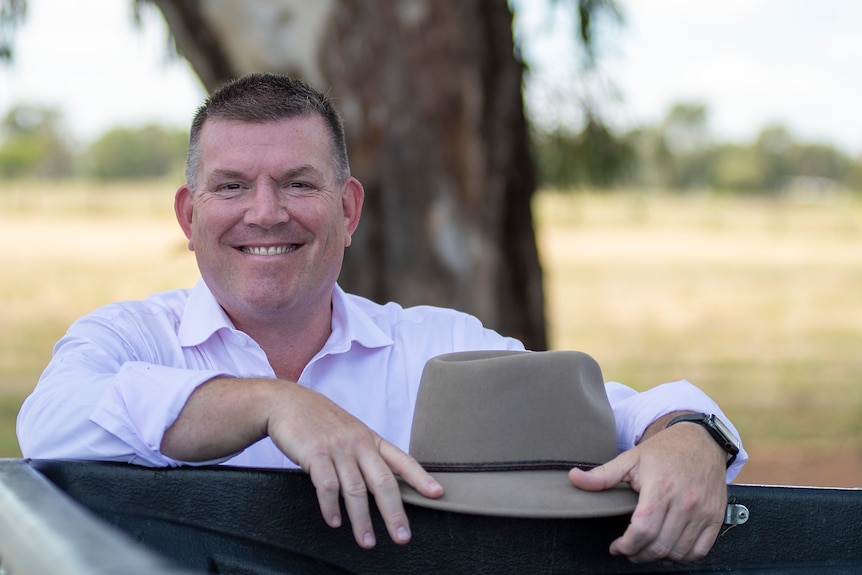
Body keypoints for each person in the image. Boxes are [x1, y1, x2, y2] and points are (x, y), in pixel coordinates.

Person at [17, 73, 746, 564]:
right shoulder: (127, 338)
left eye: (298, 184)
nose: (264, 212)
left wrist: (688, 432)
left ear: (348, 209)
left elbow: (603, 411)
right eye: (232, 185)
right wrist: (273, 404)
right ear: (189, 213)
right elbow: (51, 421)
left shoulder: (436, 345)